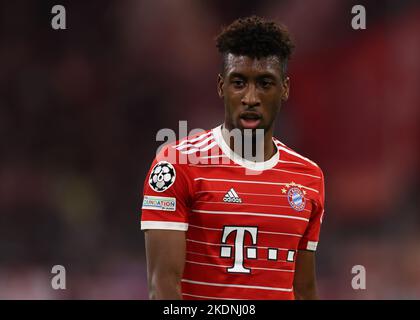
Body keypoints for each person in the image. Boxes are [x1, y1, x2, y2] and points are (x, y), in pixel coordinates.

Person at [140, 16, 325, 300]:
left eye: (265, 83)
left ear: (285, 89)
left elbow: (304, 290)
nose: (251, 97)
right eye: (239, 82)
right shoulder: (176, 164)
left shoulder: (309, 177)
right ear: (220, 86)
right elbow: (162, 288)